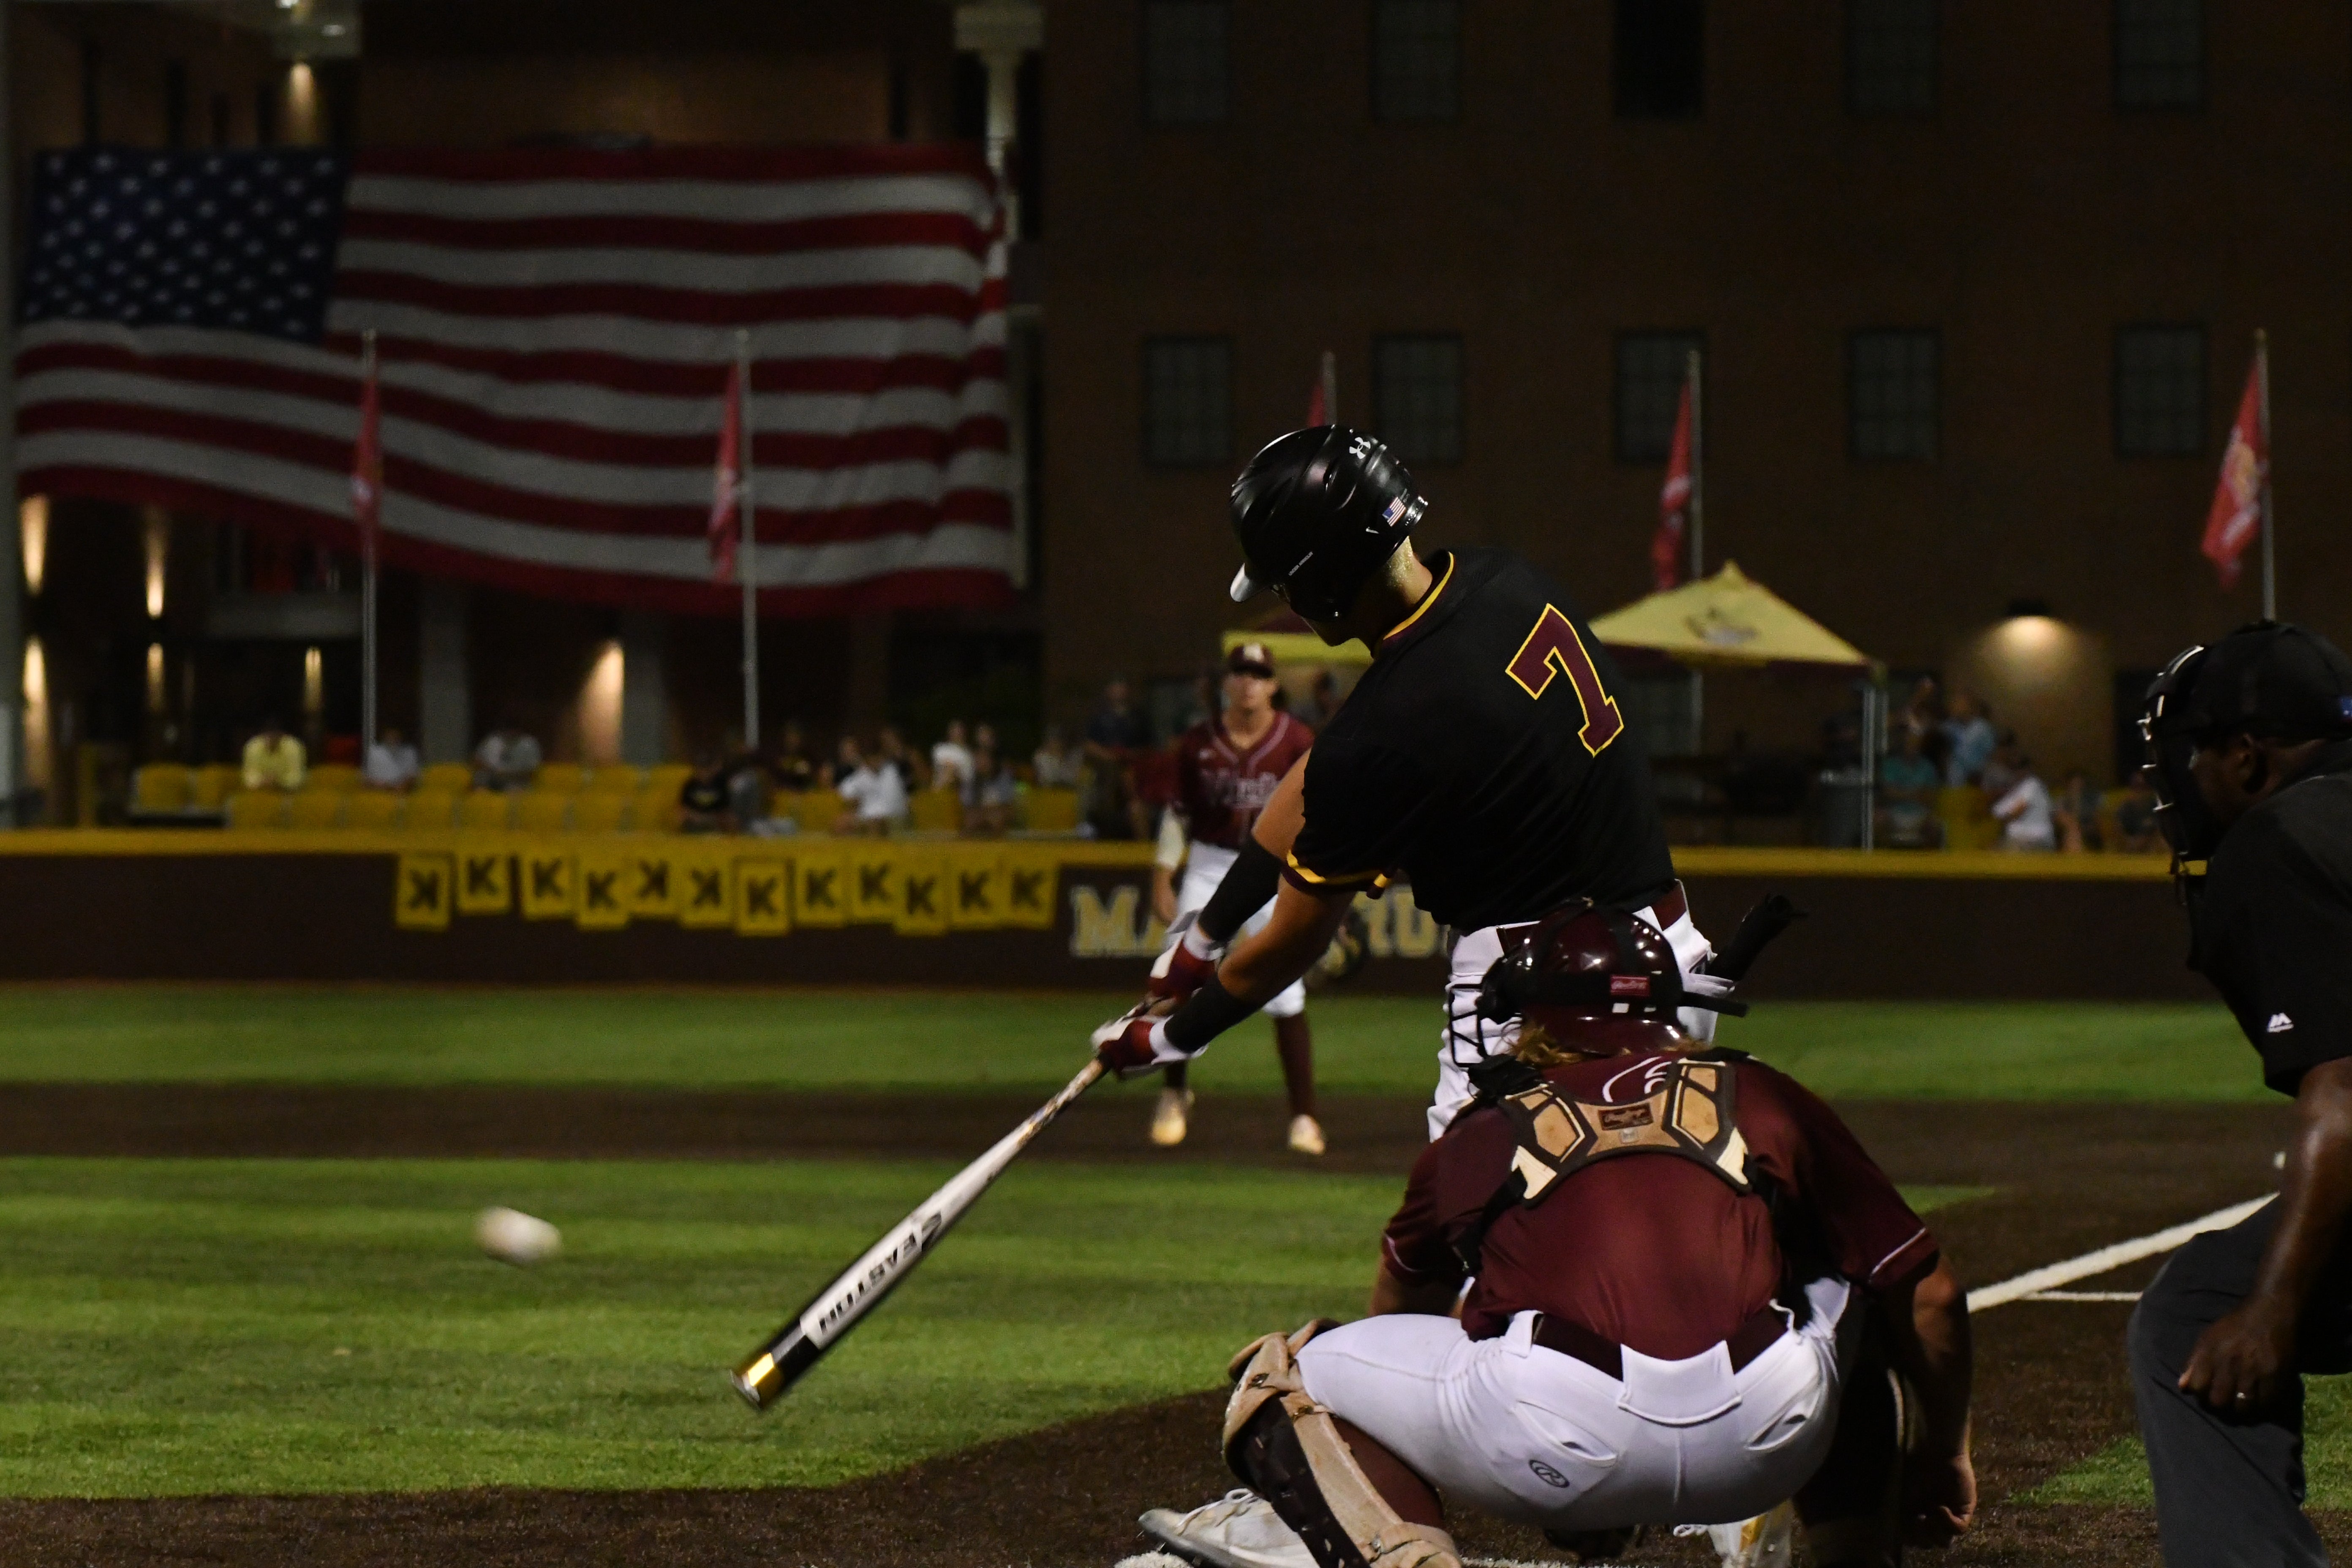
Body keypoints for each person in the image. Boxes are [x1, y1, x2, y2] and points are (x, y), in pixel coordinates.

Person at [1140, 905, 1974, 1568]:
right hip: (1767, 1435)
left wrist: (1569, 1473)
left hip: (1554, 1441)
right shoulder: (1759, 1091)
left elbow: (1406, 1309)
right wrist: (1942, 1455)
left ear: (1532, 1019)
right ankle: (1854, 1550)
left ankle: (1403, 1553)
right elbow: (1929, 1291)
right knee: (1863, 1274)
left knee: (1294, 1373)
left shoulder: (1483, 1126)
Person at [1095, 425, 1716, 1142]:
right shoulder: (1508, 579)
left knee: (1457, 1241)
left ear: (1320, 580)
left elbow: (1293, 943)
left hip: (1536, 1004)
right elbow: (1319, 777)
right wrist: (1203, 937)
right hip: (1671, 958)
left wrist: (1170, 1039)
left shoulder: (1388, 726)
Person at [2129, 623, 2352, 1566]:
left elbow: (2346, 1090)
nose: (2176, 781)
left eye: (2193, 753)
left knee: (2201, 1308)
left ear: (2249, 756)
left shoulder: (2278, 837)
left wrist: (2272, 1306)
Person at [1150, 641, 1323, 1155]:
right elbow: (1179, 812)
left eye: (1258, 673)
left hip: (1274, 869)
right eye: (1240, 672)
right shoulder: (1197, 741)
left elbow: (1319, 812)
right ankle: (1175, 1092)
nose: (1249, 682)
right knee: (1176, 973)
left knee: (1287, 993)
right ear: (1226, 682)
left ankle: (1305, 1116)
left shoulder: (1297, 740)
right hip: (1210, 862)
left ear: (1273, 684)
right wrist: (1162, 873)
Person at [1085, 678, 1149, 839]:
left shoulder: (1139, 718)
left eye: (1122, 687)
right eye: (1115, 687)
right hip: (1107, 768)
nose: (1119, 691)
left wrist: (1130, 755)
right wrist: (1109, 756)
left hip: (1134, 767)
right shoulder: (1100, 718)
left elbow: (1149, 747)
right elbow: (1089, 745)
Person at [1876, 725, 1940, 848]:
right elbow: (1888, 792)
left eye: (1916, 744)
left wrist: (1901, 793)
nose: (1913, 747)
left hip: (1920, 814)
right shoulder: (1890, 765)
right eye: (1909, 743)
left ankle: (1930, 865)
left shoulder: (1928, 767)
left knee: (1935, 827)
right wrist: (1915, 794)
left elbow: (1930, 797)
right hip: (1893, 813)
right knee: (1878, 820)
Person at [833, 735, 907, 834]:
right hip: (868, 818)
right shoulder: (863, 774)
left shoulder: (892, 772)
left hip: (892, 818)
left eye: (877, 757)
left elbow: (893, 806)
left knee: (875, 825)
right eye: (871, 758)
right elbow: (847, 791)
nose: (875, 761)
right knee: (840, 823)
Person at [1988, 743, 2054, 852]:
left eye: (2021, 767)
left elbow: (2018, 811)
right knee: (1988, 852)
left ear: (2028, 769)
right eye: (2014, 768)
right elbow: (1995, 814)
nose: (2018, 771)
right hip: (2018, 840)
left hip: (2036, 841)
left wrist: (2004, 821)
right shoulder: (2013, 792)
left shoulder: (2033, 784)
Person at [963, 743, 1020, 836]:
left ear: (991, 761)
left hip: (999, 813)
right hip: (979, 813)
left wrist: (990, 813)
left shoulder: (1003, 778)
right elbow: (968, 805)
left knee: (997, 817)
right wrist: (982, 815)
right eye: (978, 760)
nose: (980, 762)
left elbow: (1008, 805)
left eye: (984, 759)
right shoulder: (971, 780)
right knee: (970, 820)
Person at [1940, 691, 1996, 787]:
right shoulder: (1949, 727)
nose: (1956, 707)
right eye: (1956, 704)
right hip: (1953, 783)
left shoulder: (1982, 728)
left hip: (1976, 782)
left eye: (1961, 705)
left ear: (1970, 707)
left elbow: (1992, 755)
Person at [241, 715, 305, 792]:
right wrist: (262, 781)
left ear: (282, 735)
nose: (271, 739)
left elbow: (297, 776)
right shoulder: (253, 747)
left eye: (275, 736)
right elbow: (249, 775)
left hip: (288, 793)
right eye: (268, 736)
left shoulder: (293, 747)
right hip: (259, 792)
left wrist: (280, 782)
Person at [473, 721, 542, 792]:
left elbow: (532, 770)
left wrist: (509, 774)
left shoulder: (529, 744)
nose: (510, 734)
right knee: (480, 778)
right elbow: (477, 760)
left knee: (516, 790)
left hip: (516, 779)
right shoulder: (492, 741)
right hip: (492, 776)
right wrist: (492, 770)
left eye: (514, 732)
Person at [678, 752, 733, 833]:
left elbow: (725, 808)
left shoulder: (720, 784)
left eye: (706, 769)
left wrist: (712, 817)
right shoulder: (690, 785)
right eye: (701, 769)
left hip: (715, 818)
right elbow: (684, 807)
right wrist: (695, 816)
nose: (703, 773)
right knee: (679, 817)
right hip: (695, 818)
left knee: (731, 819)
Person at [361, 727, 419, 791]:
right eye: (391, 734)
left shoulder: (409, 752)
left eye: (396, 735)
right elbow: (368, 779)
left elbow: (413, 776)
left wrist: (404, 786)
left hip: (404, 794)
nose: (393, 737)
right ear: (385, 735)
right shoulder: (374, 752)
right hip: (380, 794)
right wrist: (389, 787)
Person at [771, 721, 819, 793]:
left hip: (804, 794)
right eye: (790, 736)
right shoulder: (777, 754)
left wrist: (808, 771)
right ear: (785, 738)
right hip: (782, 793)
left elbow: (816, 770)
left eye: (796, 736)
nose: (792, 740)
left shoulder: (807, 754)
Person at [1032, 724, 1085, 789]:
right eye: (1052, 740)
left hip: (1069, 793)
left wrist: (1061, 759)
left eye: (1058, 741)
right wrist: (1056, 759)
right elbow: (1047, 779)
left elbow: (1072, 779)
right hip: (1047, 793)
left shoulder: (1074, 756)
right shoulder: (1041, 757)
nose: (1055, 744)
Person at [931, 720, 975, 797]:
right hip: (942, 793)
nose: (958, 734)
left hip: (963, 795)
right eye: (955, 730)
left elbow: (967, 777)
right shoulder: (941, 749)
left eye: (960, 731)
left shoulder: (969, 755)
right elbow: (945, 769)